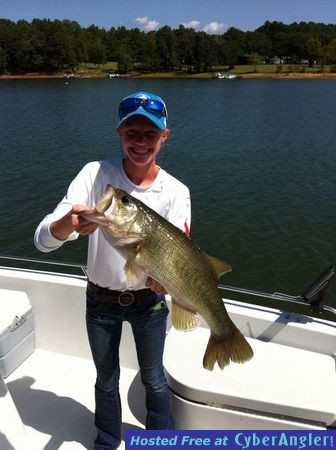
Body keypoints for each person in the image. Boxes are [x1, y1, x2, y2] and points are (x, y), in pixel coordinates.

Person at [34, 91, 191, 450]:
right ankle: (106, 442)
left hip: (149, 304)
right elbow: (42, 240)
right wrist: (69, 224)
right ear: (118, 134)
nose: (140, 142)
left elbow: (178, 252)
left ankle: (159, 443)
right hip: (100, 301)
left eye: (149, 134)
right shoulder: (95, 175)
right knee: (106, 380)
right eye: (131, 133)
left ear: (164, 137)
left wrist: (164, 282)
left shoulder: (176, 191)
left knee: (154, 380)